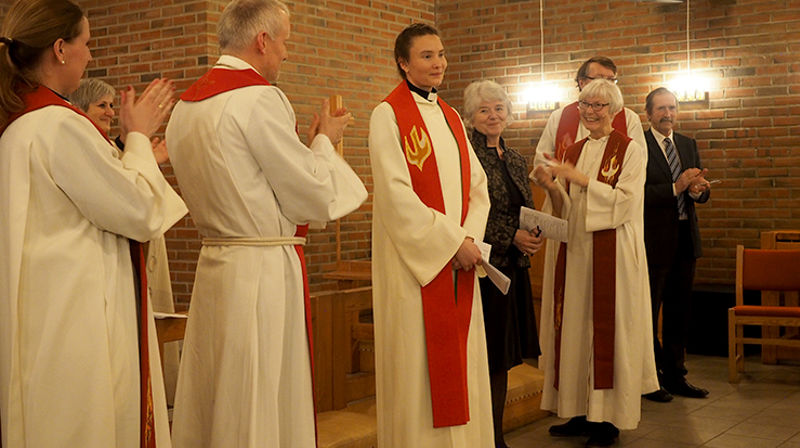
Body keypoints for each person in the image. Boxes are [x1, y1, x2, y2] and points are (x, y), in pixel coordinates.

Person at [165, 0, 367, 446]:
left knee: (220, 388)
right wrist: (324, 142)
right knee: (260, 387)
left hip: (216, 263)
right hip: (261, 269)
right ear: (262, 40)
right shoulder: (259, 99)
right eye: (285, 42)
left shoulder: (186, 106)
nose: (286, 53)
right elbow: (310, 193)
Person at [0, 0, 187, 447]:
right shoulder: (59, 126)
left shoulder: (19, 124)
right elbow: (140, 211)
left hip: (42, 311)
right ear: (60, 49)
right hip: (76, 317)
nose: (91, 55)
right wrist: (138, 136)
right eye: (86, 43)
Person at [369, 23, 493, 447]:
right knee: (418, 371)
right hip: (415, 269)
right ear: (403, 63)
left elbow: (478, 187)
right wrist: (450, 243)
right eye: (426, 55)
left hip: (458, 262)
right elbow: (394, 195)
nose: (438, 62)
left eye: (440, 54)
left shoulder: (452, 115)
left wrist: (469, 242)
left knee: (461, 364)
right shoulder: (387, 114)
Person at [532, 79, 658, 447]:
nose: (589, 111)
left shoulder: (631, 150)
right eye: (584, 104)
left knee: (607, 328)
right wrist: (553, 186)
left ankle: (608, 419)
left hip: (614, 250)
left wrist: (581, 180)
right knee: (575, 328)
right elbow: (567, 211)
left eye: (599, 105)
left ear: (615, 110)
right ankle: (578, 410)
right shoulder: (571, 150)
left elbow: (626, 203)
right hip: (578, 253)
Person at [68, 77, 181, 405]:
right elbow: (129, 204)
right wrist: (138, 143)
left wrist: (147, 156)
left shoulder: (104, 145)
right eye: (100, 105)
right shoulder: (82, 141)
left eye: (111, 105)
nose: (109, 111)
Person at [462, 79, 542, 448]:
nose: (493, 116)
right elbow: (471, 210)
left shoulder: (515, 158)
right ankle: (484, 437)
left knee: (503, 356)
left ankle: (495, 435)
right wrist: (511, 235)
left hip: (514, 267)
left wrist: (533, 234)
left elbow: (520, 207)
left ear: (508, 115)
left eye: (498, 109)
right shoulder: (467, 156)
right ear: (471, 116)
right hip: (482, 265)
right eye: (484, 110)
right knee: (487, 353)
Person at [642, 87, 711, 402]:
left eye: (671, 108)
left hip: (685, 240)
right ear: (649, 114)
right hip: (652, 241)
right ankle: (649, 378)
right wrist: (675, 186)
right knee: (648, 312)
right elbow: (636, 195)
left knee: (678, 312)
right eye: (660, 109)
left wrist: (697, 189)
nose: (667, 114)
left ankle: (676, 374)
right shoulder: (638, 146)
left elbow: (699, 193)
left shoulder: (687, 144)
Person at [532, 56, 645, 170]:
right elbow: (543, 161)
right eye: (599, 79)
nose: (605, 85)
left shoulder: (629, 118)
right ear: (582, 83)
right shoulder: (560, 117)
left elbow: (639, 163)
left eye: (611, 80)